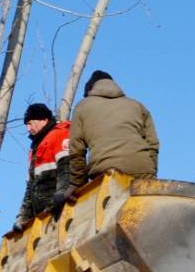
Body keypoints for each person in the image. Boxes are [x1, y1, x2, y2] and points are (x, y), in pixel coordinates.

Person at [59, 70, 159, 205]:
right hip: (142, 169)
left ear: (89, 90)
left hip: (105, 171)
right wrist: (150, 171)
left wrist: (77, 183)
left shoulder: (82, 106)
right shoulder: (137, 106)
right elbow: (153, 143)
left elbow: (77, 150)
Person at [12, 102, 72, 231]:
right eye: (26, 125)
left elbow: (67, 169)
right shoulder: (34, 150)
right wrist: (23, 216)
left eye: (30, 123)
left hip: (60, 210)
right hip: (42, 216)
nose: (28, 129)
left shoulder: (59, 135)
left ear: (43, 120)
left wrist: (62, 196)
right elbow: (30, 188)